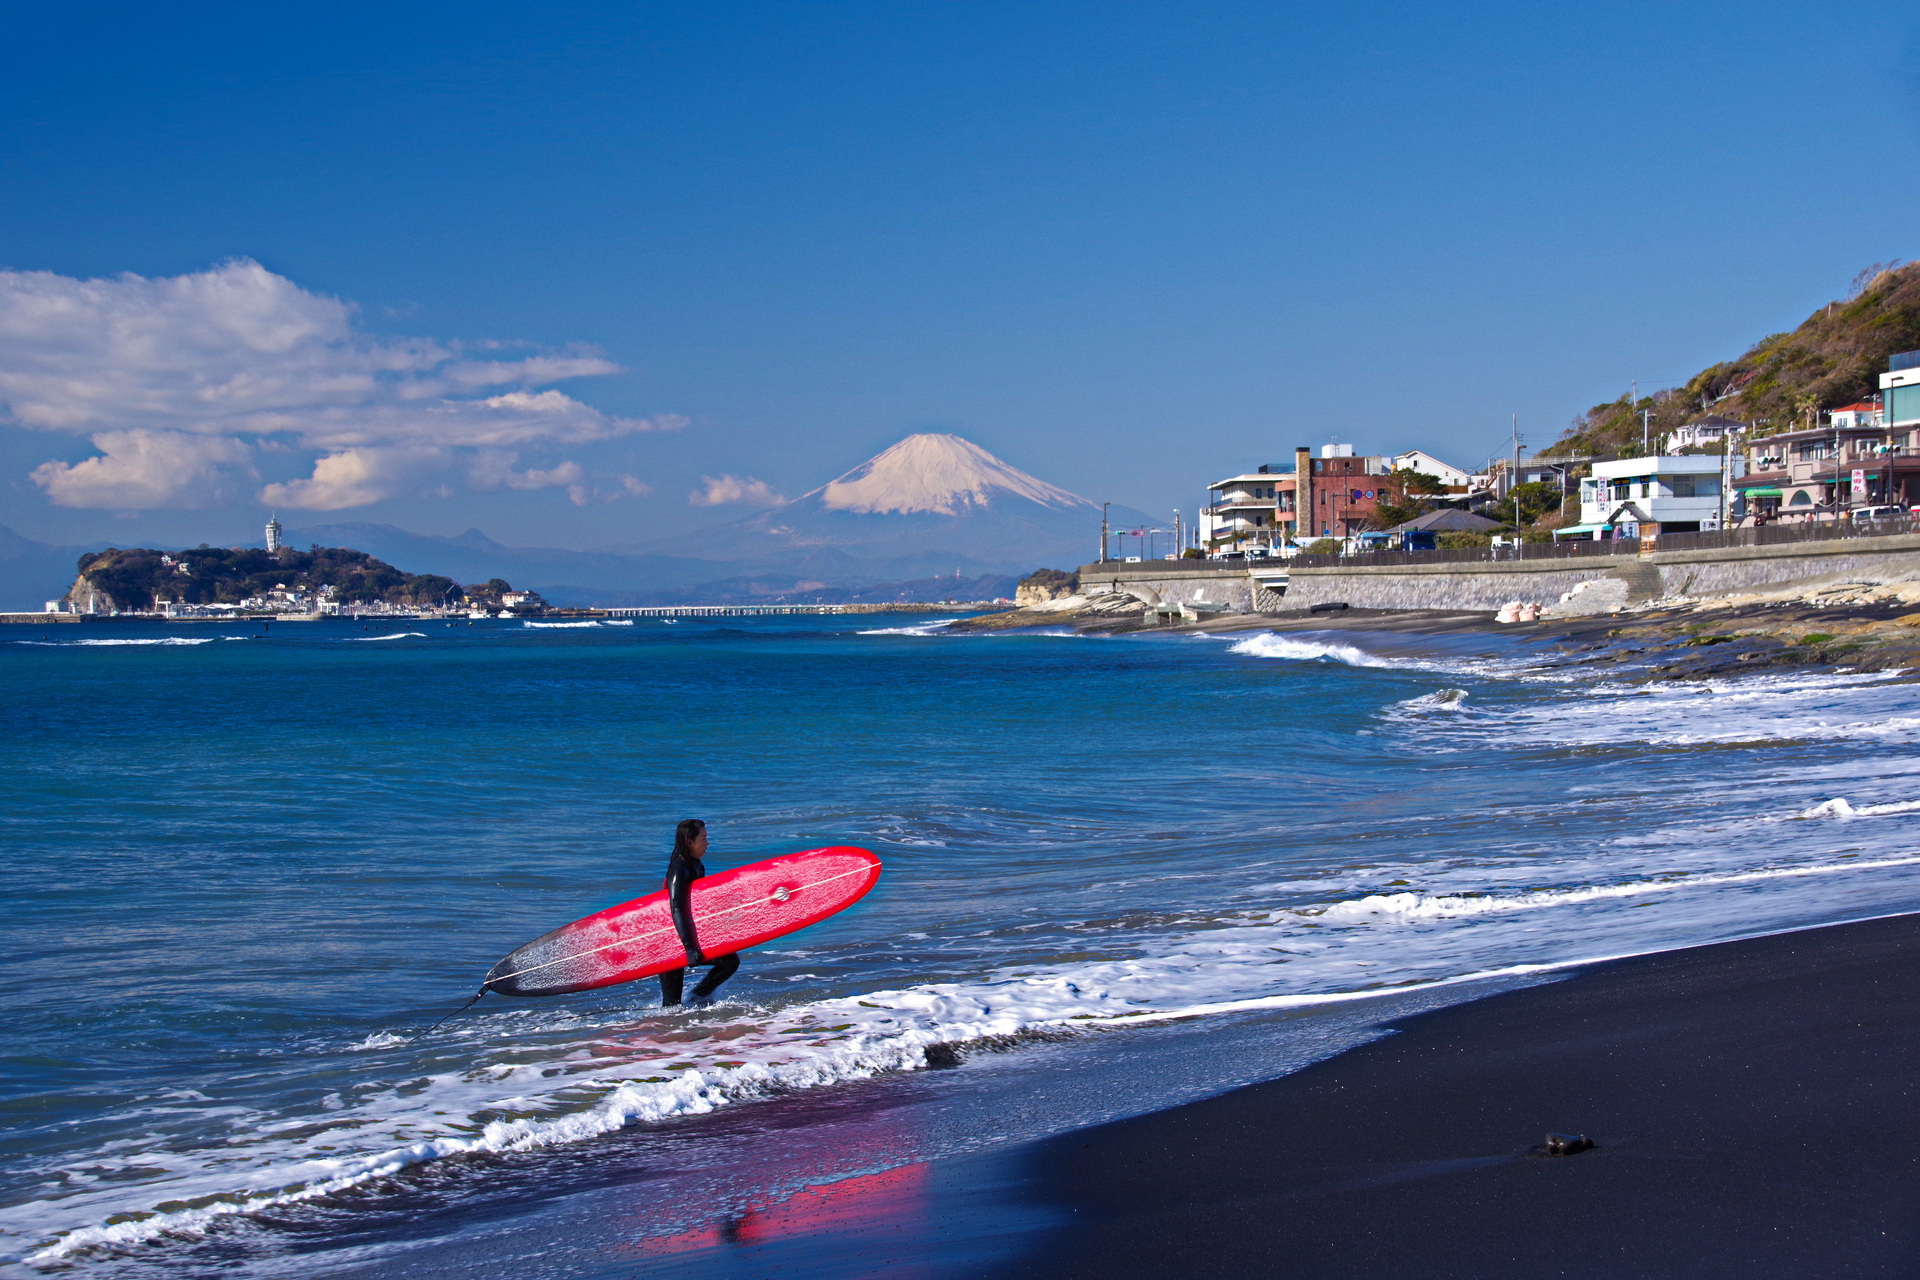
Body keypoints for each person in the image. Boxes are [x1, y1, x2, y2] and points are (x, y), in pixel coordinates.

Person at [660, 818, 739, 1007]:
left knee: (730, 962)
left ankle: (696, 998)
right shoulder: (678, 869)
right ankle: (670, 1030)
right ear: (689, 841)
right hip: (669, 941)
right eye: (703, 838)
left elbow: (698, 905)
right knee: (671, 1007)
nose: (707, 843)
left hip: (687, 934)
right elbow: (676, 907)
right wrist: (689, 947)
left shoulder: (696, 865)